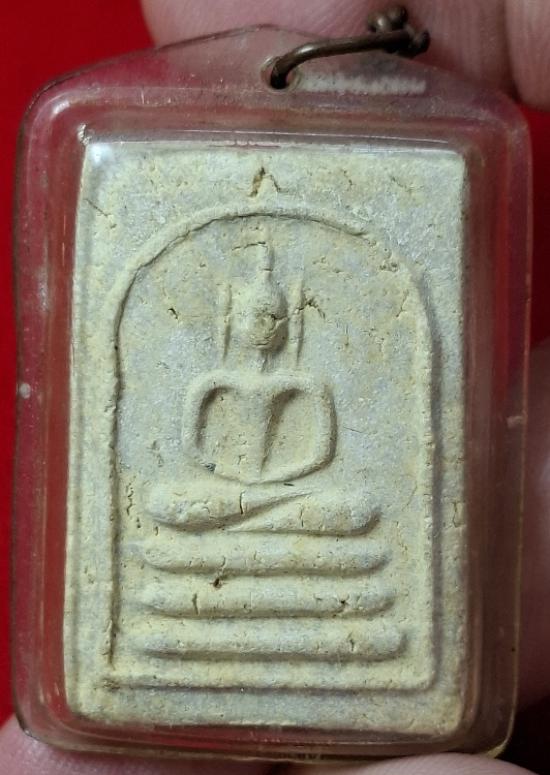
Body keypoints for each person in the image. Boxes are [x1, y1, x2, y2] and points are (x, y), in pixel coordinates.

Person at [2, 1, 549, 772]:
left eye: (275, 316)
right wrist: (241, 495)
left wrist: (272, 497)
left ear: (289, 318)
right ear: (232, 319)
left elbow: (315, 456)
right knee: (168, 506)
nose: (265, 326)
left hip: (295, 507)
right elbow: (202, 455)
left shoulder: (304, 383)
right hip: (221, 506)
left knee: (344, 510)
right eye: (252, 316)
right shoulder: (212, 381)